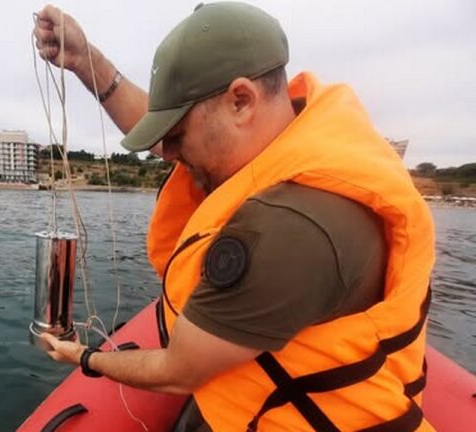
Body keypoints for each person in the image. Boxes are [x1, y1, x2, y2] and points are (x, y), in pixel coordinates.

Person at [34, 2, 435, 431]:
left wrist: (84, 356)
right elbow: (182, 129)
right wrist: (84, 61)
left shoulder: (288, 230)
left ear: (241, 101)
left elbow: (178, 370)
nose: (166, 154)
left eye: (177, 136)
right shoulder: (289, 134)